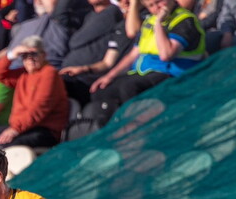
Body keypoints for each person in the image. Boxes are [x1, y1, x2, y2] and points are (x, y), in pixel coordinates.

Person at [87, 0, 205, 128]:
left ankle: (138, 131)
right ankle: (107, 133)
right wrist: (109, 76)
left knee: (129, 87)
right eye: (151, 6)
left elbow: (166, 55)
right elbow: (133, 54)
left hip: (172, 74)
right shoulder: (149, 21)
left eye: (159, 2)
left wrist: (159, 23)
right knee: (101, 89)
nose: (156, 8)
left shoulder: (184, 20)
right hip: (145, 73)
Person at [0, 34, 69, 149]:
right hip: (20, 127)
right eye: (25, 55)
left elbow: (39, 108)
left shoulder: (49, 73)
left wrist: (15, 129)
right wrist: (11, 55)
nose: (29, 59)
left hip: (44, 129)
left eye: (34, 54)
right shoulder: (23, 74)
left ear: (44, 55)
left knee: (7, 146)